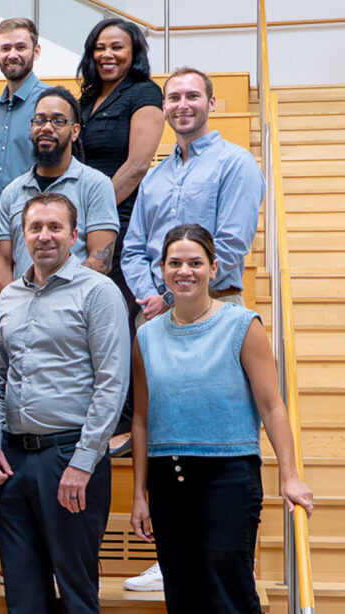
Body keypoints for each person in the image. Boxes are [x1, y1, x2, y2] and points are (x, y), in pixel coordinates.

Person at [130, 224, 313, 613]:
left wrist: (290, 476)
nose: (185, 271)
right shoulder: (146, 336)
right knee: (182, 597)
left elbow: (272, 406)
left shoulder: (242, 325)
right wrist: (138, 495)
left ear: (213, 268)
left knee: (230, 596)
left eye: (195, 263)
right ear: (162, 269)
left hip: (228, 476)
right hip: (167, 478)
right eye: (175, 263)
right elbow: (142, 419)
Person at [0, 193, 129, 614]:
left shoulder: (98, 292)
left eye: (54, 227)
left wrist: (83, 463)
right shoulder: (9, 296)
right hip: (13, 461)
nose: (44, 236)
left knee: (76, 595)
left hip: (70, 458)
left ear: (74, 234)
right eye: (35, 227)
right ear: (22, 235)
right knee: (23, 596)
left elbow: (111, 383)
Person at [123, 67, 265, 325]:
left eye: (192, 96)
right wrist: (151, 297)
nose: (183, 105)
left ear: (211, 103)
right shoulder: (153, 178)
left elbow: (232, 244)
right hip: (155, 314)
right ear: (164, 107)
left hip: (215, 307)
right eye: (174, 98)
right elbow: (133, 250)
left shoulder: (235, 163)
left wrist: (170, 298)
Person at [0, 87, 118, 291]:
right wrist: (17, 299)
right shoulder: (12, 192)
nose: (46, 128)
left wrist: (58, 296)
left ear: (75, 131)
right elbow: (2, 261)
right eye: (40, 120)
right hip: (25, 303)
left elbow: (101, 257)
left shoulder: (96, 185)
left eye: (58, 121)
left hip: (76, 303)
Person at [76, 18, 164, 309]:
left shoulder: (145, 92)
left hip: (119, 221)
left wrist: (94, 211)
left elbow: (138, 165)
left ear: (133, 52)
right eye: (100, 48)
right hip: (82, 222)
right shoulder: (86, 99)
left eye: (117, 47)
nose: (107, 55)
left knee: (113, 309)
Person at [0, 17, 50, 308]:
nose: (13, 54)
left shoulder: (49, 103)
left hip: (35, 230)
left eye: (21, 47)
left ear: (36, 51)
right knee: (4, 315)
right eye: (6, 48)